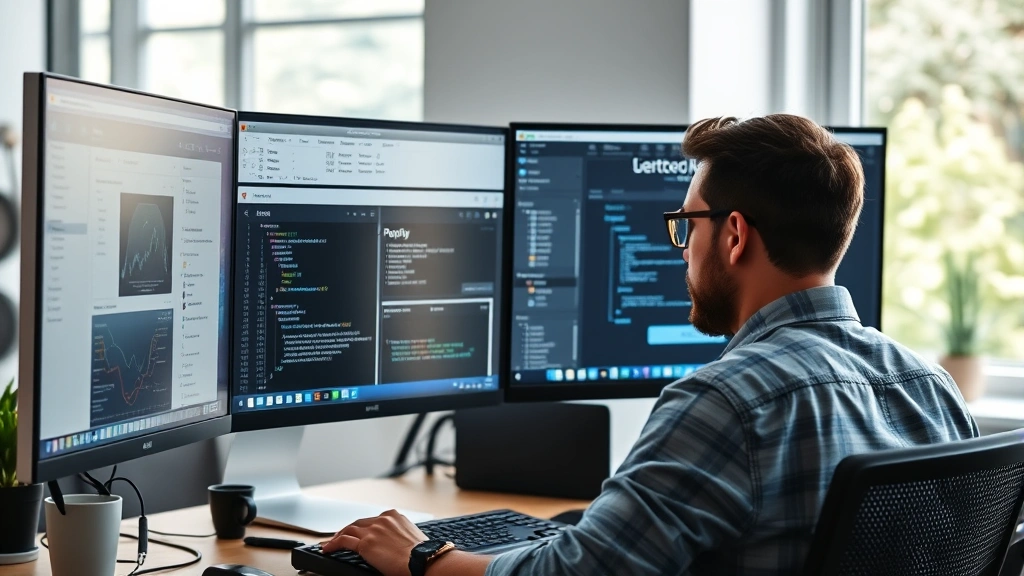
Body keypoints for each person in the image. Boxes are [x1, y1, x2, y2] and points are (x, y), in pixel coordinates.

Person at [322, 114, 979, 576]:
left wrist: (422, 554)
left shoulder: (726, 403)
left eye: (686, 224)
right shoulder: (931, 389)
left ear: (734, 236)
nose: (682, 248)